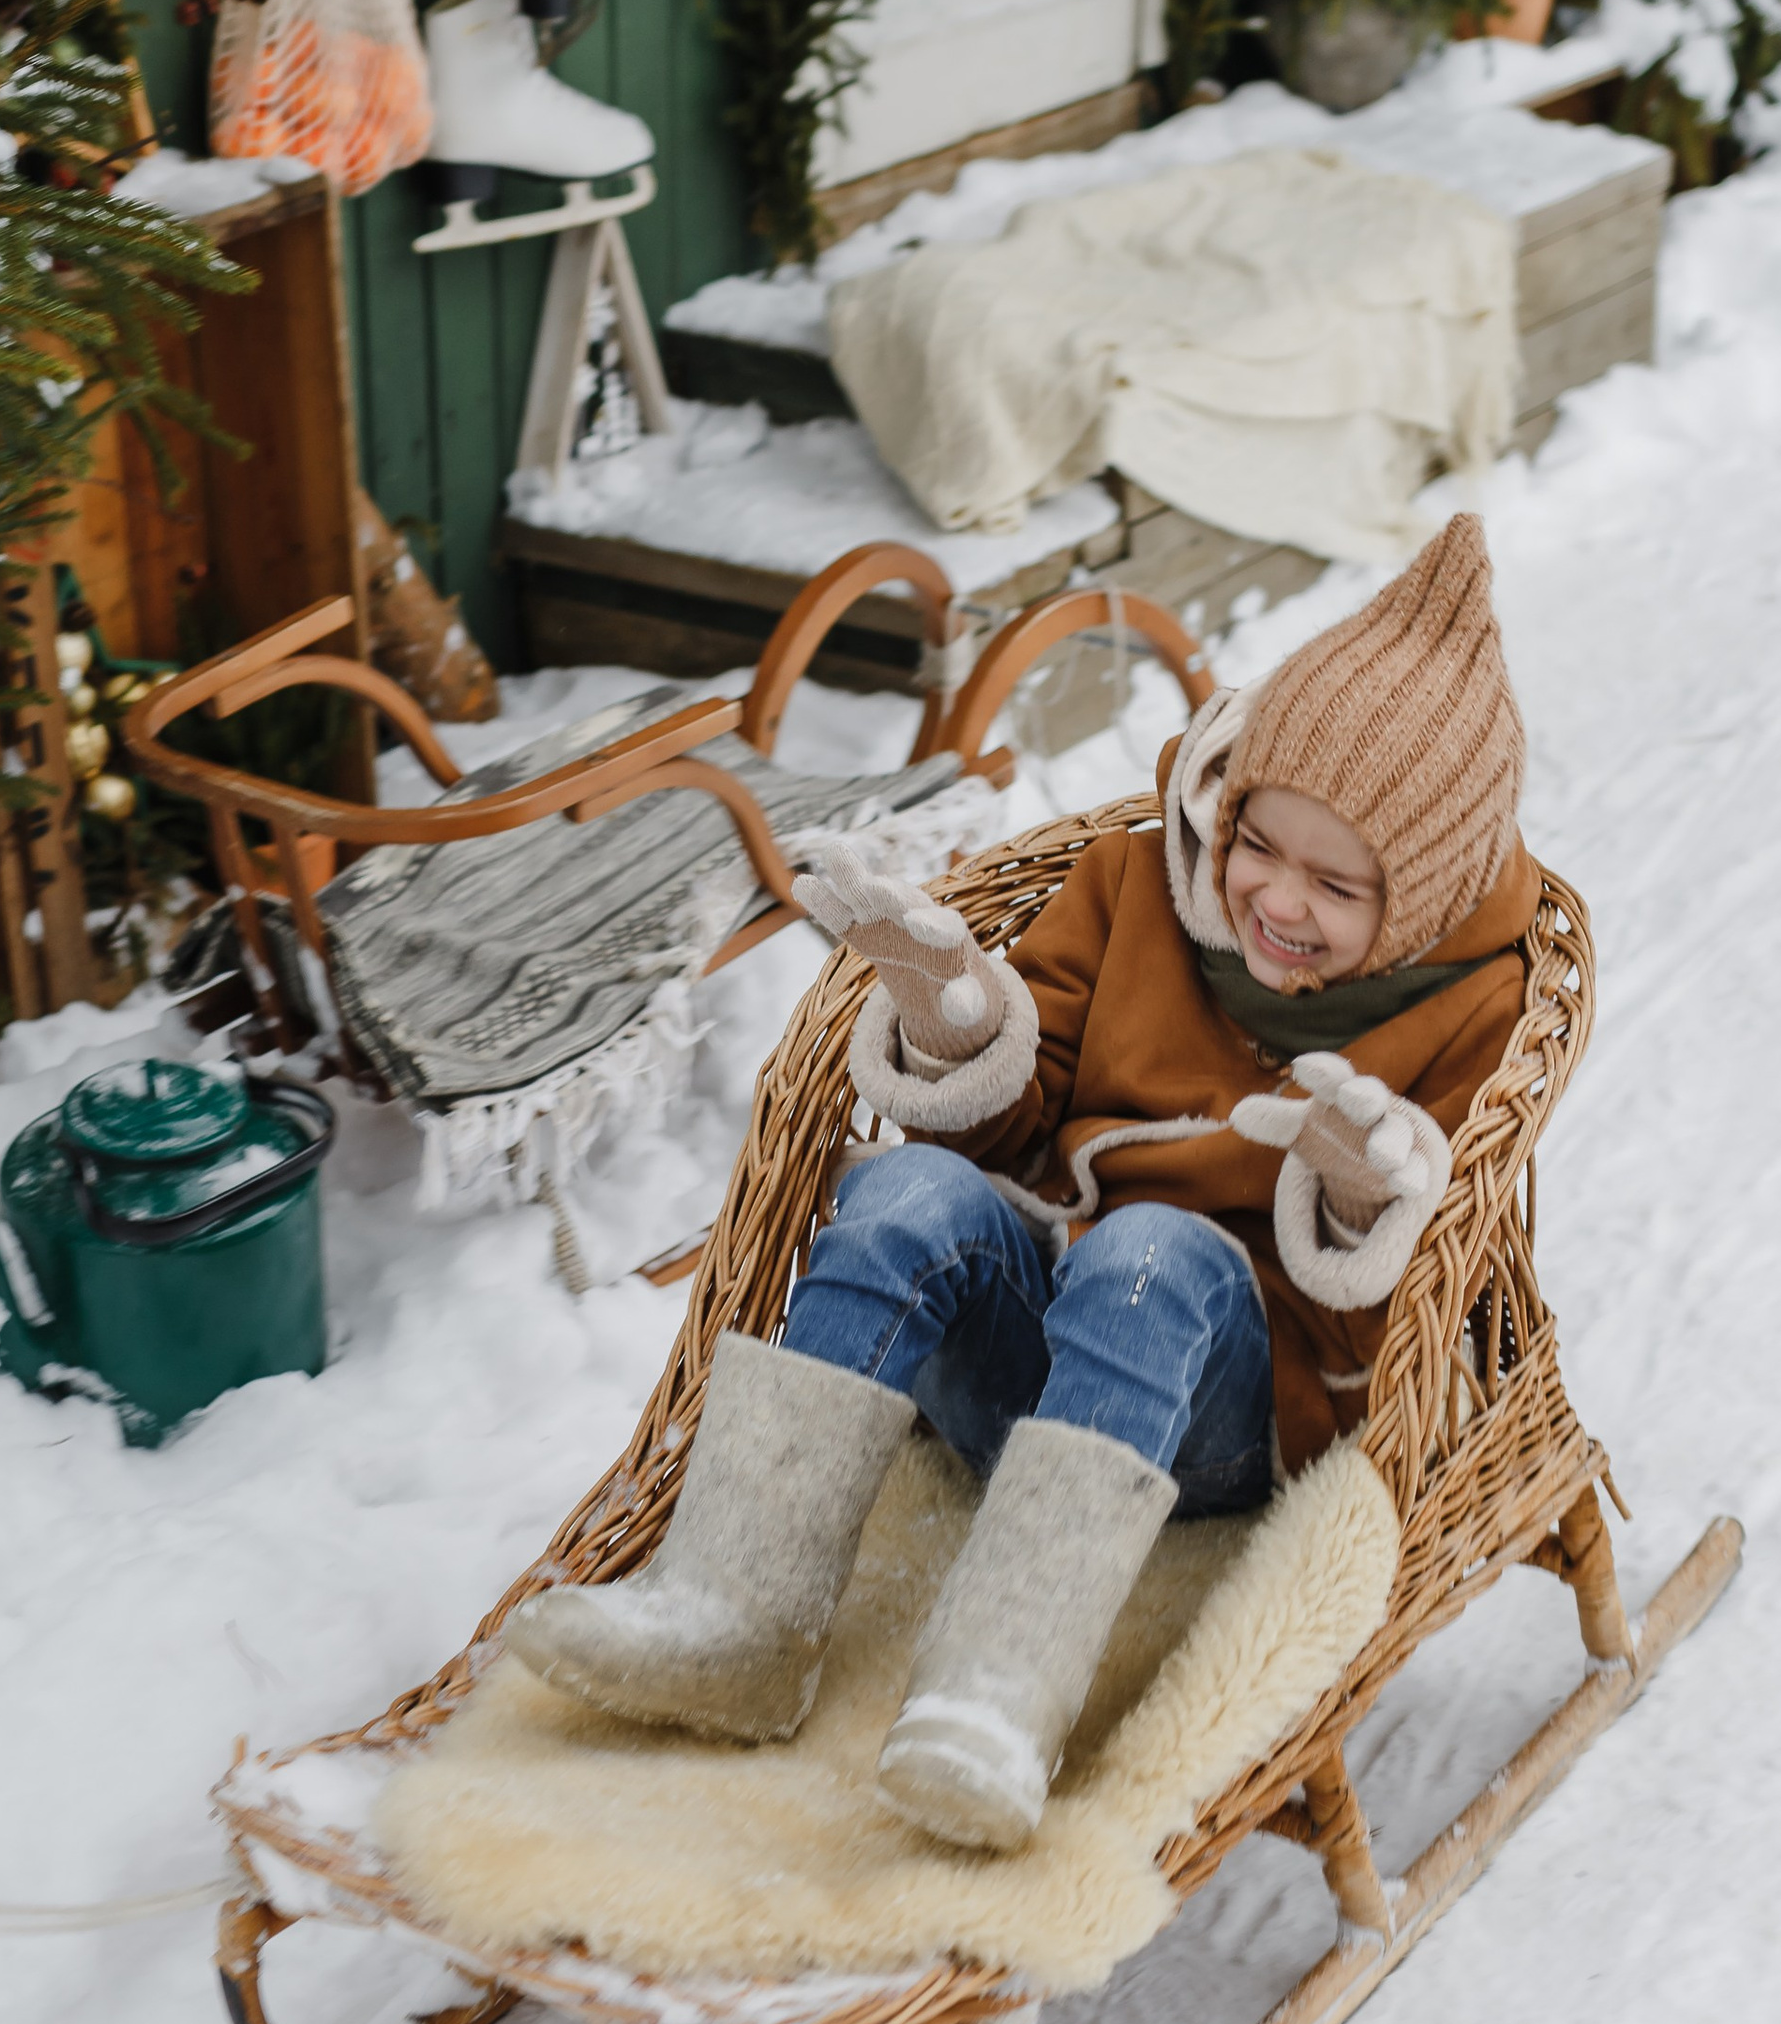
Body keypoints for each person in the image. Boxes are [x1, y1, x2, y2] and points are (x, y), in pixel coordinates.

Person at [508, 514, 1539, 1855]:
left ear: (1421, 895)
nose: (1276, 898)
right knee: (899, 1196)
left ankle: (995, 1698)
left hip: (1204, 1426)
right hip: (1027, 1362)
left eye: (1337, 884)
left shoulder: (1468, 1012)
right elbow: (1011, 1124)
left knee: (1159, 1245)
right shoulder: (1130, 887)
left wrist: (1356, 1204)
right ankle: (736, 1615)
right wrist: (949, 1016)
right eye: (1256, 843)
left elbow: (1398, 1324)